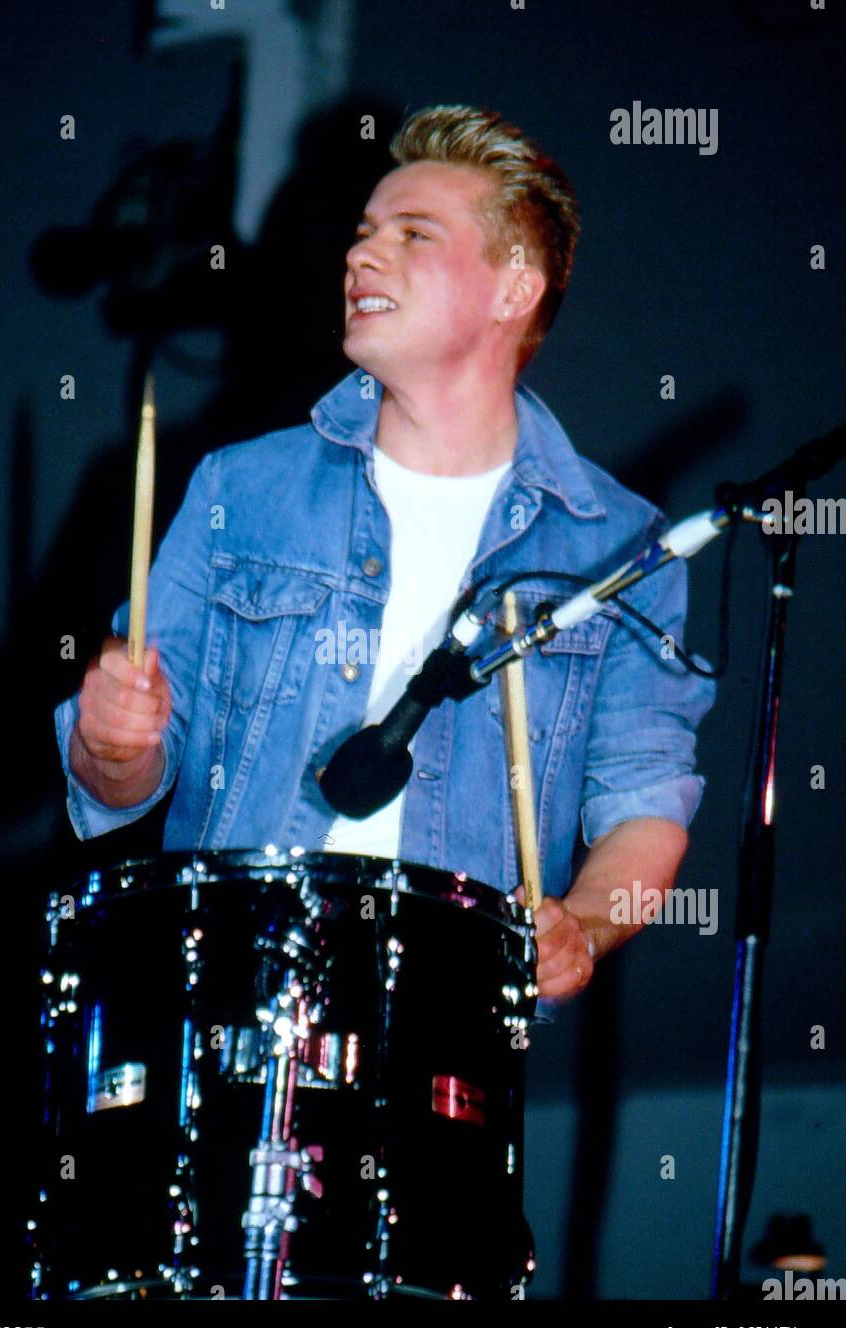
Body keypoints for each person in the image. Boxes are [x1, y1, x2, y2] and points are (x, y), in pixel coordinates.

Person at [55, 104, 716, 1003]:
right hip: (225, 990)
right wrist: (110, 741)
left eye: (412, 235)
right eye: (363, 234)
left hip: (449, 1019)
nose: (359, 256)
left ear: (513, 288)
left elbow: (643, 801)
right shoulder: (240, 490)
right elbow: (123, 782)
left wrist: (585, 927)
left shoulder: (620, 547)